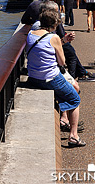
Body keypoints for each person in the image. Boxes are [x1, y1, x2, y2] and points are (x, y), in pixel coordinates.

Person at [25, 10, 86, 148]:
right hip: (49, 78)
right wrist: (61, 41)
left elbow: (43, 46)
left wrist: (63, 41)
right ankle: (73, 136)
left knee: (69, 89)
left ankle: (64, 119)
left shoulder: (30, 34)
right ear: (54, 25)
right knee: (75, 98)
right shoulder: (54, 38)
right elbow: (62, 62)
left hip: (33, 77)